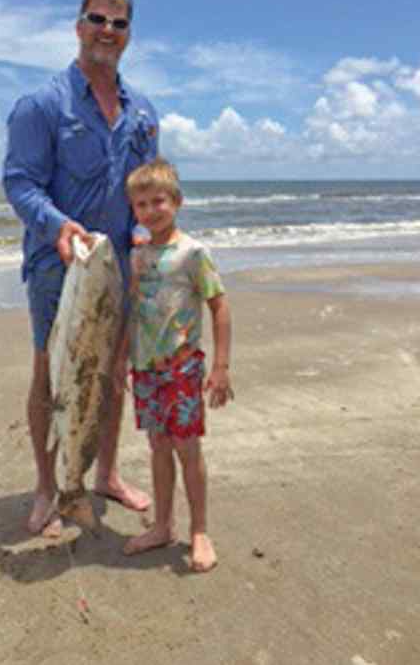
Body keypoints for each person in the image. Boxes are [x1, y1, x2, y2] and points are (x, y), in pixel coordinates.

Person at [3, 0, 159, 535]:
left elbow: (147, 184)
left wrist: (143, 233)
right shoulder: (42, 105)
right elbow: (19, 184)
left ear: (128, 36)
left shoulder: (143, 112)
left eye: (118, 24)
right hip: (58, 265)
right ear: (78, 26)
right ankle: (48, 487)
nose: (107, 31)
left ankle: (106, 475)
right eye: (98, 20)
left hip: (119, 267)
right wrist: (57, 226)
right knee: (52, 375)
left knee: (112, 373)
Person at [115, 157, 232, 572]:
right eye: (141, 205)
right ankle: (164, 524)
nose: (150, 211)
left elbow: (218, 306)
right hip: (145, 369)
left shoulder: (193, 253)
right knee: (158, 446)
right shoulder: (138, 258)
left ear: (177, 202)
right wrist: (120, 361)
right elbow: (133, 311)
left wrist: (220, 368)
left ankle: (200, 530)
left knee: (187, 448)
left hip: (182, 368)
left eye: (158, 201)